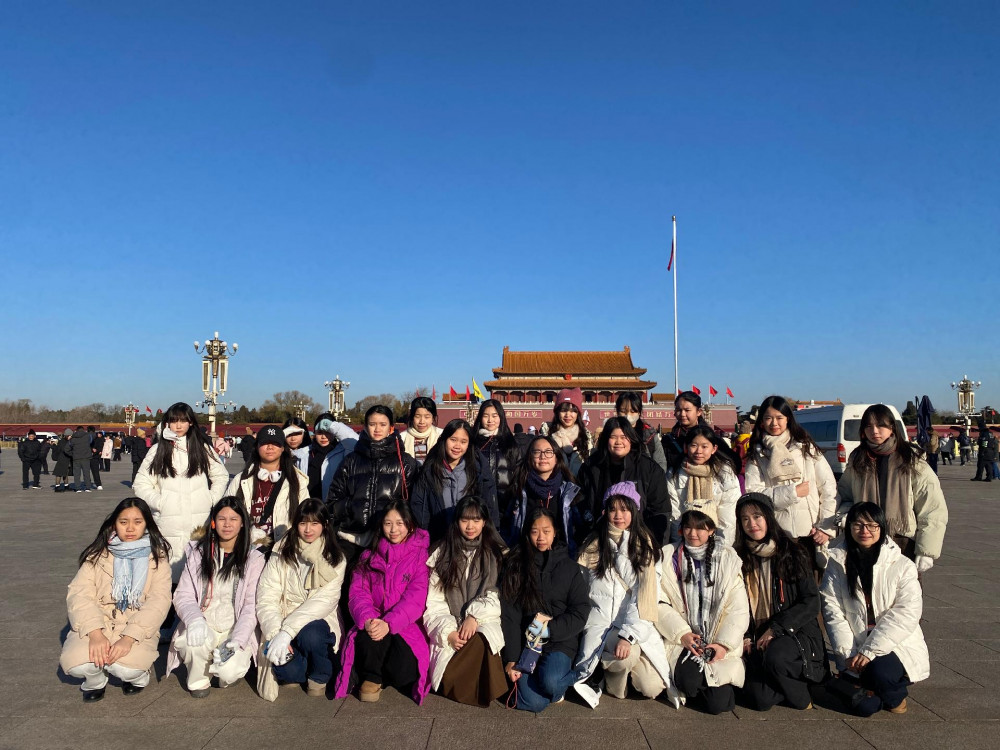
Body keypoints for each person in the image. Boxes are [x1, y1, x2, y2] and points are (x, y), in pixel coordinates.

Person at [821, 502, 929, 716]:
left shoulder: (902, 565)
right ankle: (875, 690)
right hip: (856, 641)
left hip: (894, 643)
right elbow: (833, 611)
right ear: (849, 527)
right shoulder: (837, 563)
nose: (865, 531)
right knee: (864, 707)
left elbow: (906, 614)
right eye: (858, 524)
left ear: (881, 527)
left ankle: (893, 693)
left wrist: (869, 652)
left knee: (879, 673)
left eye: (872, 525)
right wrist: (848, 653)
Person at [59, 498, 172, 702]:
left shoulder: (158, 558)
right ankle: (95, 680)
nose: (130, 528)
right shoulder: (97, 554)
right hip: (99, 620)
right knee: (79, 664)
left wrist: (129, 638)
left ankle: (138, 678)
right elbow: (79, 594)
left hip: (135, 624)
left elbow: (159, 602)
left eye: (137, 522)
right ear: (114, 524)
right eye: (123, 522)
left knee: (124, 668)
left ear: (147, 524)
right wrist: (95, 633)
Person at [572, 482, 671, 708]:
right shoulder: (593, 544)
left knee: (651, 687)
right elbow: (583, 589)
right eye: (613, 509)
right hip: (601, 624)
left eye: (625, 509)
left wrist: (628, 635)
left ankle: (613, 672)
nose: (618, 515)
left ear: (634, 511)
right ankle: (612, 679)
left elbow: (644, 599)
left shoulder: (645, 546)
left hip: (634, 623)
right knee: (626, 658)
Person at [166, 498, 266, 697]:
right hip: (205, 622)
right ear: (213, 522)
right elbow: (183, 594)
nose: (227, 524)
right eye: (221, 519)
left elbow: (250, 606)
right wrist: (195, 620)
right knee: (192, 642)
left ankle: (224, 670)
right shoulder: (198, 553)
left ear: (243, 523)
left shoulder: (254, 558)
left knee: (229, 671)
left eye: (233, 519)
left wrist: (238, 640)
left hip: (234, 627)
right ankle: (199, 680)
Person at [733, 493, 824, 711]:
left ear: (768, 517)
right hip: (756, 633)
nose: (752, 524)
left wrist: (777, 628)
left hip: (793, 631)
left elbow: (811, 601)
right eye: (745, 519)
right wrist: (744, 636)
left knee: (776, 657)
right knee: (759, 699)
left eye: (757, 516)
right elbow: (735, 603)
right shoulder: (738, 557)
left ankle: (802, 696)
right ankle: (784, 680)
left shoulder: (793, 552)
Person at [335, 501, 431, 703]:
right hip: (375, 619)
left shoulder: (420, 557)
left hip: (405, 624)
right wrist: (368, 618)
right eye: (388, 523)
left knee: (404, 673)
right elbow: (358, 593)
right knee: (367, 638)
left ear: (410, 525)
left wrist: (390, 623)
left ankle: (385, 670)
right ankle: (373, 677)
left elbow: (416, 598)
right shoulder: (368, 556)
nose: (393, 530)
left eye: (399, 523)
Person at [656, 510, 749, 714]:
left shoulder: (727, 559)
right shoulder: (668, 556)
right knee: (690, 684)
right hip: (683, 640)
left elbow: (738, 610)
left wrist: (723, 645)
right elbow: (659, 602)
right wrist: (682, 633)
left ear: (712, 530)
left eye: (700, 528)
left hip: (718, 641)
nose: (693, 533)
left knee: (719, 705)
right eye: (688, 527)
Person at [835, 404, 948, 573]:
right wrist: (846, 515)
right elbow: (845, 495)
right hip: (865, 537)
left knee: (903, 588)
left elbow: (932, 506)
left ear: (892, 428)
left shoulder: (911, 459)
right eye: (868, 426)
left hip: (901, 539)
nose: (874, 431)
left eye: (881, 425)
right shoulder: (858, 459)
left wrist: (926, 550)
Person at [499, 508, 591, 713]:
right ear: (527, 533)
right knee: (534, 703)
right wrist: (511, 658)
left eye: (546, 531)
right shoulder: (516, 565)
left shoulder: (569, 568)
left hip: (559, 642)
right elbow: (510, 615)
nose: (541, 537)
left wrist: (549, 630)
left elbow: (580, 610)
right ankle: (539, 684)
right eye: (534, 531)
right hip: (526, 644)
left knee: (553, 683)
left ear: (555, 532)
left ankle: (576, 677)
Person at [254, 499, 346, 700]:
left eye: (314, 523)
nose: (308, 529)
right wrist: (276, 633)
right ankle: (300, 666)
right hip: (282, 619)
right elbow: (267, 596)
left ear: (325, 525)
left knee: (311, 635)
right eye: (303, 523)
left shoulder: (335, 558)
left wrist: (287, 632)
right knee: (289, 672)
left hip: (316, 620)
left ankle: (320, 674)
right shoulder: (281, 551)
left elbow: (324, 601)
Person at [422, 496, 508, 707]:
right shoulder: (442, 553)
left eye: (476, 520)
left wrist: (474, 616)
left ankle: (469, 686)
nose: (470, 526)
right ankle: (475, 687)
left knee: (482, 639)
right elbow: (435, 603)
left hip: (484, 619)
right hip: (449, 622)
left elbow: (496, 595)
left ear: (485, 522)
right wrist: (449, 633)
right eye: (465, 520)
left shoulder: (496, 553)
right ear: (456, 522)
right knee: (455, 662)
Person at [133, 403, 231, 580]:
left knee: (197, 575)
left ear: (191, 423)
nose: (178, 425)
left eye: (183, 421)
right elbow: (141, 483)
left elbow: (221, 476)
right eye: (174, 421)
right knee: (167, 577)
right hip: (167, 523)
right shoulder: (158, 450)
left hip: (199, 521)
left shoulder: (202, 448)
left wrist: (209, 499)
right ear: (167, 423)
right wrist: (159, 502)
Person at [743, 395, 838, 572]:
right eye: (768, 418)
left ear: (788, 419)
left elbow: (828, 488)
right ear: (761, 421)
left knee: (813, 584)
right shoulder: (758, 455)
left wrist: (826, 528)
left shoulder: (805, 448)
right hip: (777, 535)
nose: (774, 423)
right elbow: (754, 494)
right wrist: (792, 492)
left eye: (779, 417)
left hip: (811, 535)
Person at [577, 417, 671, 545]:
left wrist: (654, 545)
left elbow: (660, 511)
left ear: (631, 439)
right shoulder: (591, 467)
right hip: (599, 540)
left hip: (639, 541)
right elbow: (580, 501)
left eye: (624, 437)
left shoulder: (649, 469)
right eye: (613, 437)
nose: (618, 442)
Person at [411, 419, 499, 541]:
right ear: (444, 439)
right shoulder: (430, 470)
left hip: (471, 539)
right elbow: (420, 507)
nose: (457, 446)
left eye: (463, 442)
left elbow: (489, 504)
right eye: (453, 440)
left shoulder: (477, 469)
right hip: (439, 539)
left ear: (469, 444)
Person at [224, 425, 309, 548]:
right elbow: (226, 511)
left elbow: (306, 516)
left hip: (283, 547)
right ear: (257, 447)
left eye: (275, 443)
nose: (270, 447)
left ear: (283, 448)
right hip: (247, 546)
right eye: (265, 443)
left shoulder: (297, 480)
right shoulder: (241, 479)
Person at [505, 435, 585, 553]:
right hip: (525, 555)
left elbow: (581, 527)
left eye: (548, 452)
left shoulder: (569, 491)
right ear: (529, 457)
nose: (543, 457)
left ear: (557, 457)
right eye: (537, 452)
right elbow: (505, 523)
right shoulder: (518, 489)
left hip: (561, 556)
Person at [667, 425, 741, 546]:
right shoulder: (674, 473)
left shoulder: (724, 473)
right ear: (686, 447)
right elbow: (675, 514)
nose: (699, 451)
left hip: (717, 539)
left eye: (704, 446)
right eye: (694, 445)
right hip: (687, 538)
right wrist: (679, 544)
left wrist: (722, 546)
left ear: (714, 448)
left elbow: (728, 515)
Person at [473, 399, 525, 520]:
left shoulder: (511, 444)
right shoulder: (474, 443)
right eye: (485, 416)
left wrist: (515, 501)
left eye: (494, 416)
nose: (490, 420)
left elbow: (519, 475)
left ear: (501, 417)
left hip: (506, 505)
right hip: (479, 504)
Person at [310, 413, 359, 500]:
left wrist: (334, 426)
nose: (323, 437)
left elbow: (356, 443)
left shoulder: (343, 451)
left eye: (328, 432)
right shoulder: (305, 453)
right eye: (320, 432)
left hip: (333, 504)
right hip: (310, 505)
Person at [615, 391, 668, 472]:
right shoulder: (610, 433)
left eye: (632, 411)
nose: (628, 415)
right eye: (623, 411)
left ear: (639, 412)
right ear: (617, 412)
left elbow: (661, 464)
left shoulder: (649, 435)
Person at [548, 388, 591, 475]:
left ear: (578, 414)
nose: (568, 415)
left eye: (573, 411)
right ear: (557, 413)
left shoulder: (586, 438)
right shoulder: (548, 436)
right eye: (564, 410)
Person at [662, 391, 710, 468]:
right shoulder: (668, 441)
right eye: (679, 410)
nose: (682, 414)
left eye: (687, 410)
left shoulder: (710, 438)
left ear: (699, 412)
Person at [399, 396, 442, 466]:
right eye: (417, 416)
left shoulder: (441, 436)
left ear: (433, 418)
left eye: (427, 417)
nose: (422, 421)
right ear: (412, 417)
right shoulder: (402, 438)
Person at [69, 425, 94, 491]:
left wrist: (72, 454)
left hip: (76, 458)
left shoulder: (73, 438)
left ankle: (78, 488)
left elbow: (68, 447)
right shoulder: (88, 436)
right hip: (86, 457)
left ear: (76, 430)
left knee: (77, 474)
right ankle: (87, 487)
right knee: (86, 473)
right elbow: (91, 441)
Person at [52, 428, 73, 492]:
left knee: (65, 473)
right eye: (70, 436)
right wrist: (72, 454)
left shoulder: (68, 441)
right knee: (59, 473)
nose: (71, 437)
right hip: (62, 459)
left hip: (67, 459)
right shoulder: (62, 442)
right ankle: (57, 486)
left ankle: (66, 485)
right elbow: (65, 450)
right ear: (67, 435)